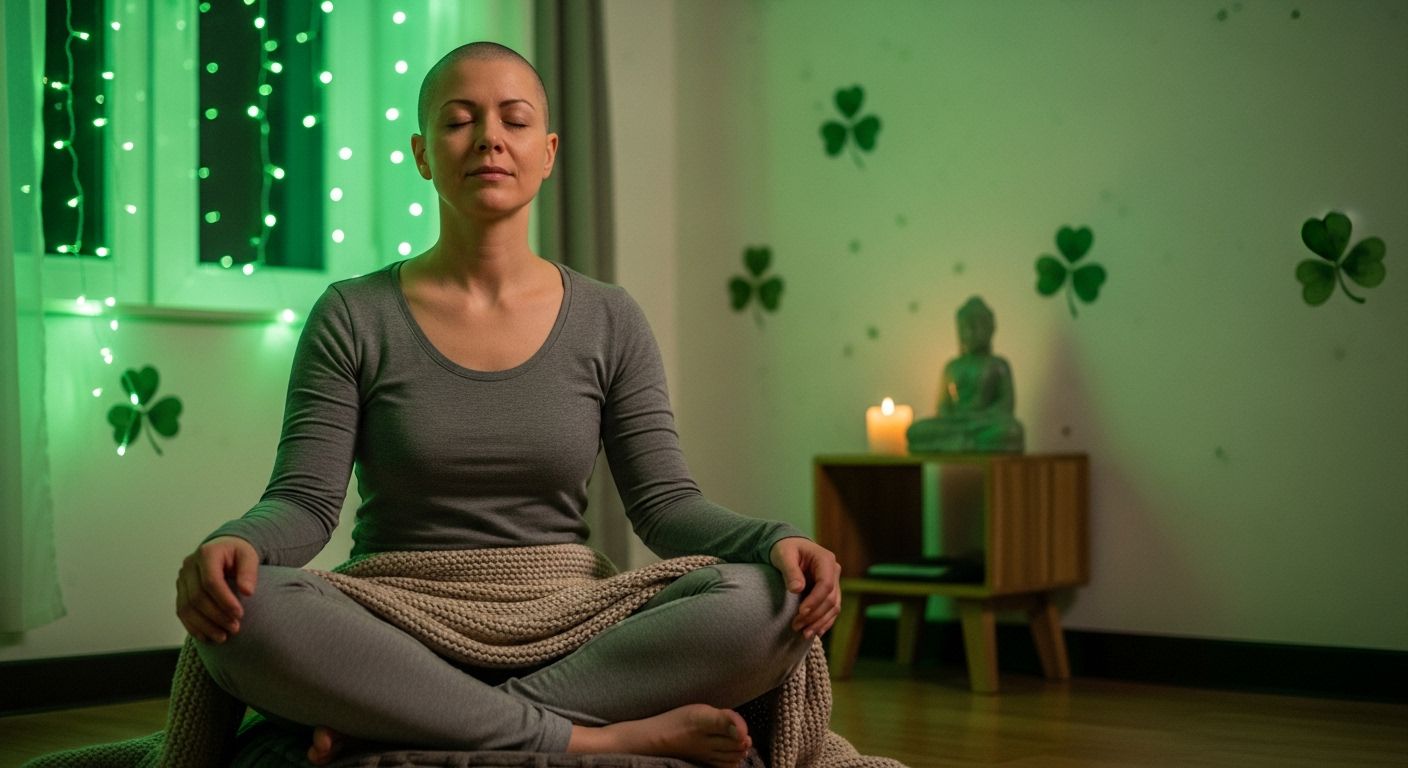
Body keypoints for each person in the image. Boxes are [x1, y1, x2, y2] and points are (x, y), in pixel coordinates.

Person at [173, 42, 841, 768]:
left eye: (514, 120)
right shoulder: (353, 314)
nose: (489, 137)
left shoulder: (610, 317)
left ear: (547, 153)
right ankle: (590, 737)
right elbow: (303, 503)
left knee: (765, 602)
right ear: (423, 154)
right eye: (460, 120)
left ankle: (405, 721)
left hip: (570, 625)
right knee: (248, 611)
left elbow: (666, 505)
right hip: (398, 617)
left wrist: (772, 540)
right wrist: (238, 543)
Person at [905, 296, 1025, 453]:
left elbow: (1006, 406)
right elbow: (943, 406)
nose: (971, 332)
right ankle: (968, 442)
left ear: (990, 329)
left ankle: (958, 443)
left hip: (985, 423)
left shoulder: (999, 365)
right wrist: (955, 418)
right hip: (955, 424)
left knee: (1011, 431)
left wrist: (979, 418)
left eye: (977, 326)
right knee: (915, 431)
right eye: (965, 327)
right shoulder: (952, 366)